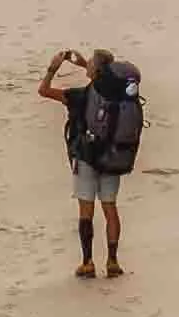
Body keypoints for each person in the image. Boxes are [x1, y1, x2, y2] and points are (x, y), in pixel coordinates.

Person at [37, 46, 141, 278]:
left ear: (96, 70)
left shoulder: (80, 96)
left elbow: (43, 91)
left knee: (86, 210)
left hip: (86, 157)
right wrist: (86, 65)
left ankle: (88, 262)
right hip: (113, 155)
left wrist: (53, 68)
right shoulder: (116, 95)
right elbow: (99, 80)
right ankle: (113, 261)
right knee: (110, 209)